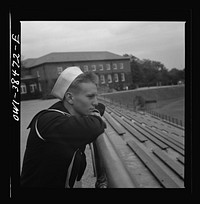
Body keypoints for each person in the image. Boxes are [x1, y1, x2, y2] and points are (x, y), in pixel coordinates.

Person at [20, 66, 106, 188]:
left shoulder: (71, 116)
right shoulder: (50, 120)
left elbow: (100, 106)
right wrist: (96, 116)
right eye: (90, 96)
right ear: (70, 98)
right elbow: (95, 126)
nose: (96, 102)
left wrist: (94, 111)